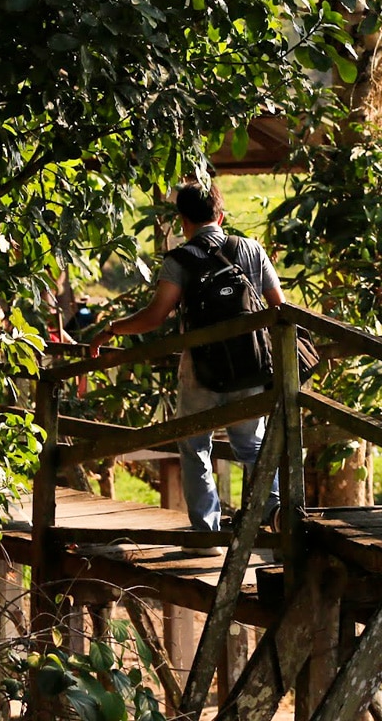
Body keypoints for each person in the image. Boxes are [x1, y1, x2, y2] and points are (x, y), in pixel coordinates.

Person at [90, 181, 284, 549]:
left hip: (201, 371)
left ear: (183, 221)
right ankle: (270, 511)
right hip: (250, 365)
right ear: (221, 216)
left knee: (196, 445)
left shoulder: (179, 259)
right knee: (252, 446)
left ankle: (206, 532)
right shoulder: (252, 250)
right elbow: (279, 305)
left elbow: (155, 315)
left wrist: (112, 330)